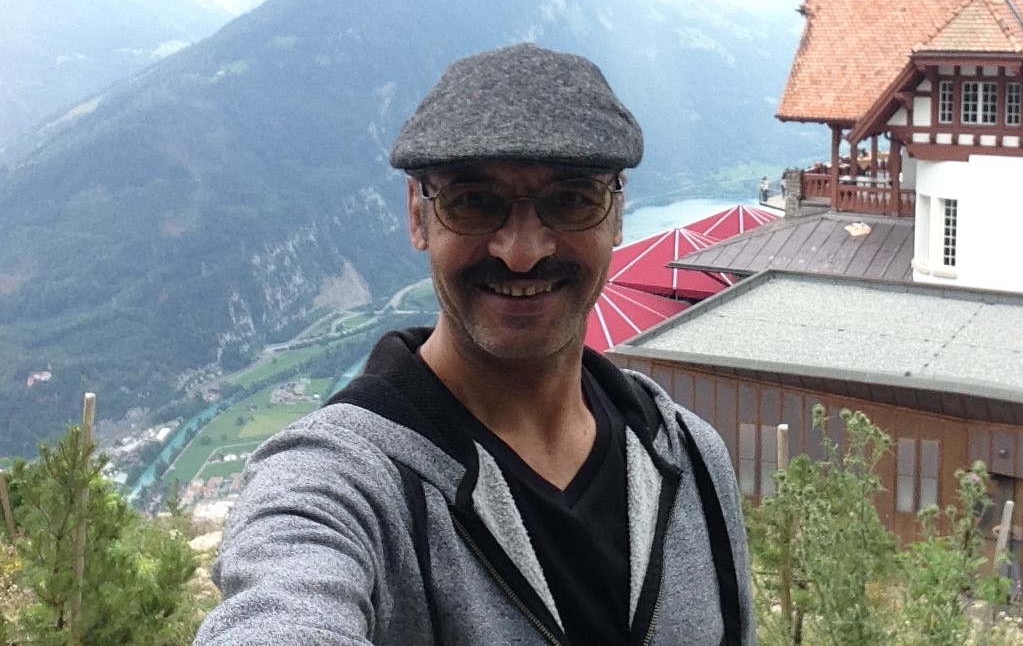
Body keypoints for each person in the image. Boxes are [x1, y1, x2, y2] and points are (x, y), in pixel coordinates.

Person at [195, 43, 754, 645]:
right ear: (418, 215)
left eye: (572, 199)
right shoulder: (340, 482)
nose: (522, 251)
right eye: (474, 202)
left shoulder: (691, 458)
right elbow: (282, 608)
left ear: (616, 215)